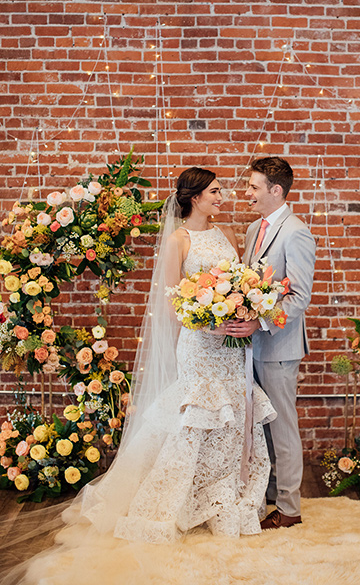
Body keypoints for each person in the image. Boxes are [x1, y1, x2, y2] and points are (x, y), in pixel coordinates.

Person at [0, 167, 276, 583]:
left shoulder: (231, 235)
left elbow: (241, 283)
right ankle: (173, 501)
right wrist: (209, 322)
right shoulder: (177, 240)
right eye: (215, 191)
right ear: (195, 197)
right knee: (195, 418)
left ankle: (221, 497)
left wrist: (242, 310)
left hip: (233, 345)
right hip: (199, 345)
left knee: (233, 416)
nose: (223, 196)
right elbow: (171, 304)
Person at [225, 157, 316, 529]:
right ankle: (266, 498)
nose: (246, 193)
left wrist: (259, 322)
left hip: (278, 348)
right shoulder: (253, 229)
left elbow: (300, 297)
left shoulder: (296, 232)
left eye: (253, 187)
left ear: (275, 191)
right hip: (252, 347)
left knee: (282, 427)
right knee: (259, 428)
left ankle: (290, 510)